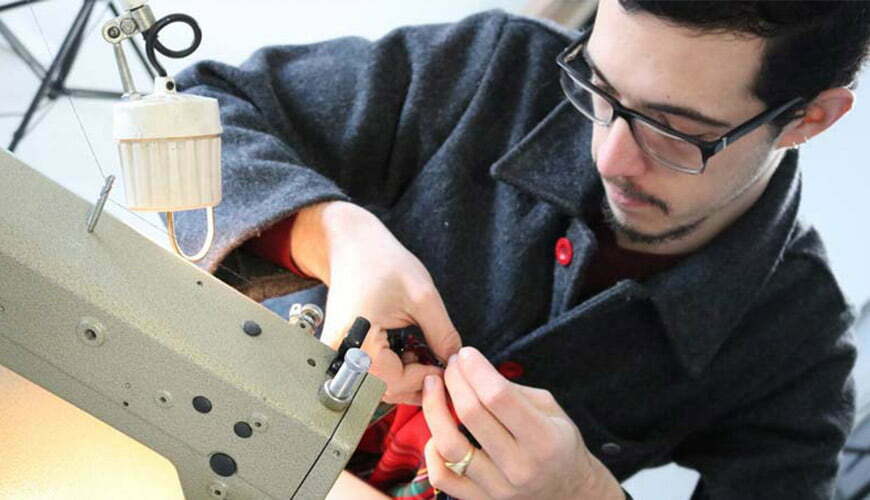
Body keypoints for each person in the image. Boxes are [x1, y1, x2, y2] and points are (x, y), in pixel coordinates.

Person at [171, 1, 869, 498]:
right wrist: (334, 237)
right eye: (600, 88)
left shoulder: (800, 349)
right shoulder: (495, 66)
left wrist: (585, 495)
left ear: (809, 118)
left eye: (675, 130)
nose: (610, 155)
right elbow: (191, 117)